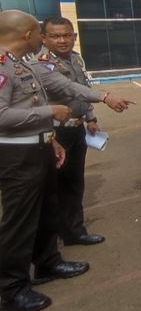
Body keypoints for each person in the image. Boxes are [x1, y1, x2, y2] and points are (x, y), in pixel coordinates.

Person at [0, 10, 133, 311]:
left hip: (40, 147)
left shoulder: (22, 63)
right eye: (40, 33)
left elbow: (65, 89)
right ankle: (12, 290)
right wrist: (50, 113)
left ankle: (47, 263)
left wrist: (51, 139)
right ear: (28, 35)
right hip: (17, 156)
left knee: (47, 211)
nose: (45, 38)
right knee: (19, 223)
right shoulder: (4, 65)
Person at [40, 18, 104, 245]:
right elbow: (68, 87)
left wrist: (90, 117)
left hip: (76, 130)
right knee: (52, 186)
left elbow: (82, 90)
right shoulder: (41, 64)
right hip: (55, 134)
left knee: (74, 183)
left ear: (74, 37)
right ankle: (50, 239)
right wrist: (106, 97)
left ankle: (74, 232)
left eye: (67, 35)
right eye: (55, 36)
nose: (62, 40)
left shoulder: (76, 58)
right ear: (44, 38)